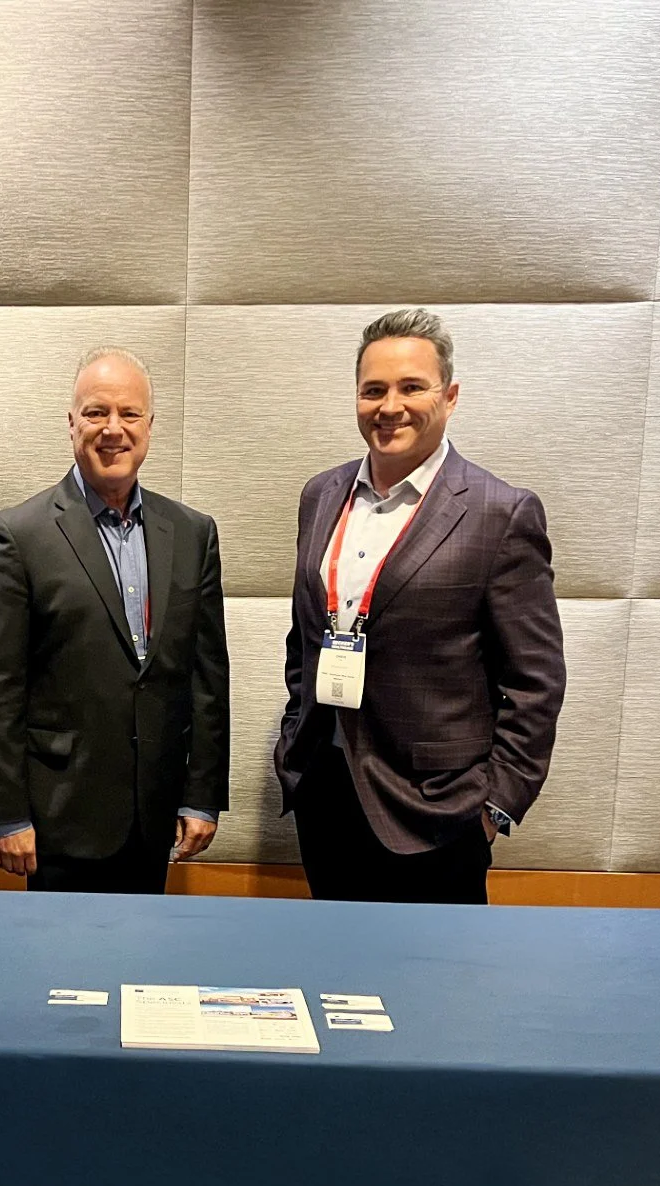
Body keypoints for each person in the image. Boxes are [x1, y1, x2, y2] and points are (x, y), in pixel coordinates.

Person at [274, 308, 565, 904]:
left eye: (412, 387)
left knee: (435, 967)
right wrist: (294, 742)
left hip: (440, 812)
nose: (390, 407)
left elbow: (535, 681)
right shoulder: (321, 494)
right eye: (373, 390)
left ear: (450, 396)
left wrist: (495, 805)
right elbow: (306, 637)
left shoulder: (500, 513)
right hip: (326, 790)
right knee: (333, 959)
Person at [0, 347, 230, 894]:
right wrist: (5, 814)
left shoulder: (192, 533)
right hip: (58, 817)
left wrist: (202, 795)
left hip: (155, 816)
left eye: (129, 414)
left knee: (146, 949)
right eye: (96, 412)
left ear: (150, 426)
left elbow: (207, 678)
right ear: (71, 423)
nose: (113, 428)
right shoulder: (17, 535)